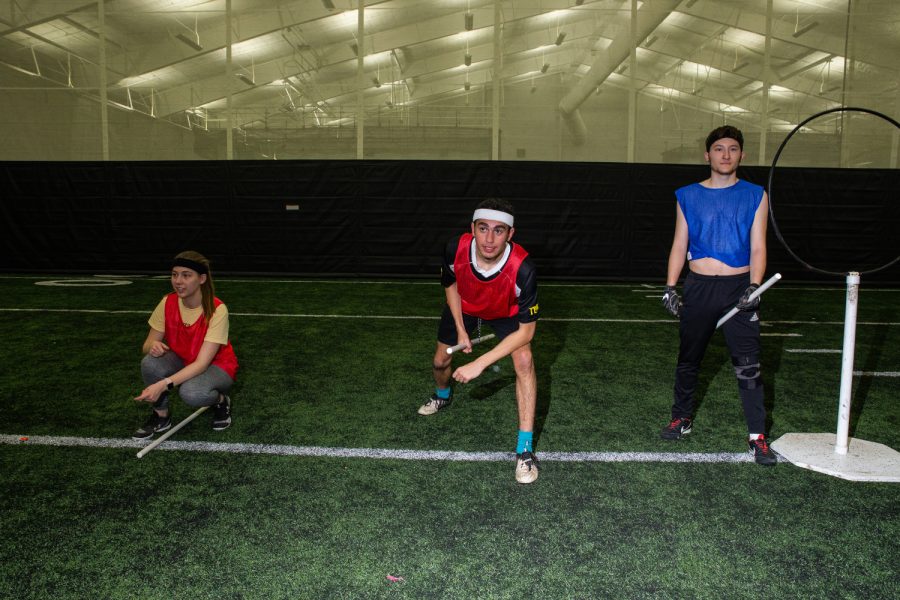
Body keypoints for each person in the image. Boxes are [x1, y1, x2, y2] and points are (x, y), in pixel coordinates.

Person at [660, 125, 777, 465]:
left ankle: (757, 436)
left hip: (739, 287)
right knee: (689, 359)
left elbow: (758, 246)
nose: (726, 154)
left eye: (733, 149)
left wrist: (755, 286)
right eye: (719, 148)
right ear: (707, 154)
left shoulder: (756, 194)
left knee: (748, 365)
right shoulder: (687, 195)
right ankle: (681, 418)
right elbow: (680, 244)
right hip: (698, 288)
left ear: (742, 155)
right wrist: (670, 287)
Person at [418, 198, 541, 484]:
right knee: (440, 361)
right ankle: (442, 396)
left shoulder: (524, 269)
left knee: (524, 360)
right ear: (472, 228)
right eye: (483, 228)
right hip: (466, 306)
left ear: (510, 234)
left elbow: (526, 332)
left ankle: (524, 450)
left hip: (505, 312)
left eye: (499, 231)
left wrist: (480, 363)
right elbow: (450, 284)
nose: (489, 238)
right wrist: (462, 330)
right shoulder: (454, 248)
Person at [132, 251, 238, 440]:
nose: (178, 281)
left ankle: (221, 401)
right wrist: (153, 346)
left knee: (192, 392)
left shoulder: (217, 309)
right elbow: (147, 345)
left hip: (217, 365)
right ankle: (161, 416)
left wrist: (163, 385)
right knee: (150, 362)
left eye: (186, 275)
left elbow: (202, 364)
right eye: (174, 274)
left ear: (202, 279)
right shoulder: (167, 302)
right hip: (183, 359)